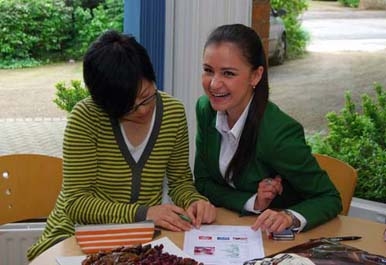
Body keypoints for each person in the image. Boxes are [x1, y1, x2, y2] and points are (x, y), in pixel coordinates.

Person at [27, 30, 216, 260]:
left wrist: (195, 201)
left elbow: (179, 181)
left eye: (147, 96)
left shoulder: (173, 113)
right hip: (73, 237)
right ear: (105, 104)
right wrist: (144, 213)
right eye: (128, 108)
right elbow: (76, 204)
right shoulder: (85, 118)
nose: (144, 110)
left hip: (137, 242)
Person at [194, 24, 341, 234]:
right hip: (233, 227)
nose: (214, 84)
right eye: (208, 70)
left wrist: (289, 217)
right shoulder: (204, 108)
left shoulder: (278, 133)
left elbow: (329, 198)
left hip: (278, 240)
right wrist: (253, 202)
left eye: (228, 73)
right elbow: (203, 182)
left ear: (255, 76)